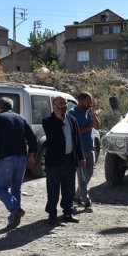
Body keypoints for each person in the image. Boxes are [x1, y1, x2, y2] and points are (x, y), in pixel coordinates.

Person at [0, 97, 37, 230]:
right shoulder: (21, 118)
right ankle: (12, 220)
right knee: (16, 189)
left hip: (6, 158)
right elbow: (32, 137)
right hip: (21, 158)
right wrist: (31, 154)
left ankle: (16, 209)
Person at [42, 96, 85, 225]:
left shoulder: (72, 120)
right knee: (53, 190)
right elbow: (52, 136)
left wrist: (81, 157)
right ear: (54, 106)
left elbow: (77, 140)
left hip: (69, 161)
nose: (64, 106)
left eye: (65, 103)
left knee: (69, 190)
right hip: (54, 162)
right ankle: (52, 215)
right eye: (60, 103)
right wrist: (59, 119)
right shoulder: (48, 121)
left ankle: (68, 213)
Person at [68, 92, 100, 213]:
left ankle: (76, 196)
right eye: (88, 101)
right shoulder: (72, 113)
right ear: (80, 101)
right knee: (81, 177)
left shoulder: (88, 112)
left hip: (90, 149)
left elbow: (97, 127)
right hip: (79, 151)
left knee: (89, 174)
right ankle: (87, 201)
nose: (90, 104)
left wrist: (93, 114)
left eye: (91, 101)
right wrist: (89, 127)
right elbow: (76, 131)